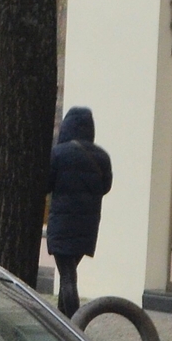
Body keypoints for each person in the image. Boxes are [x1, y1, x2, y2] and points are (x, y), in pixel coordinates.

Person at [46, 107, 113, 317]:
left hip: (62, 223)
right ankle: (63, 321)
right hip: (87, 226)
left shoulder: (58, 154)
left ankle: (76, 325)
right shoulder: (102, 157)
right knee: (70, 271)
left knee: (67, 277)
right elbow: (106, 187)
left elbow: (46, 184)